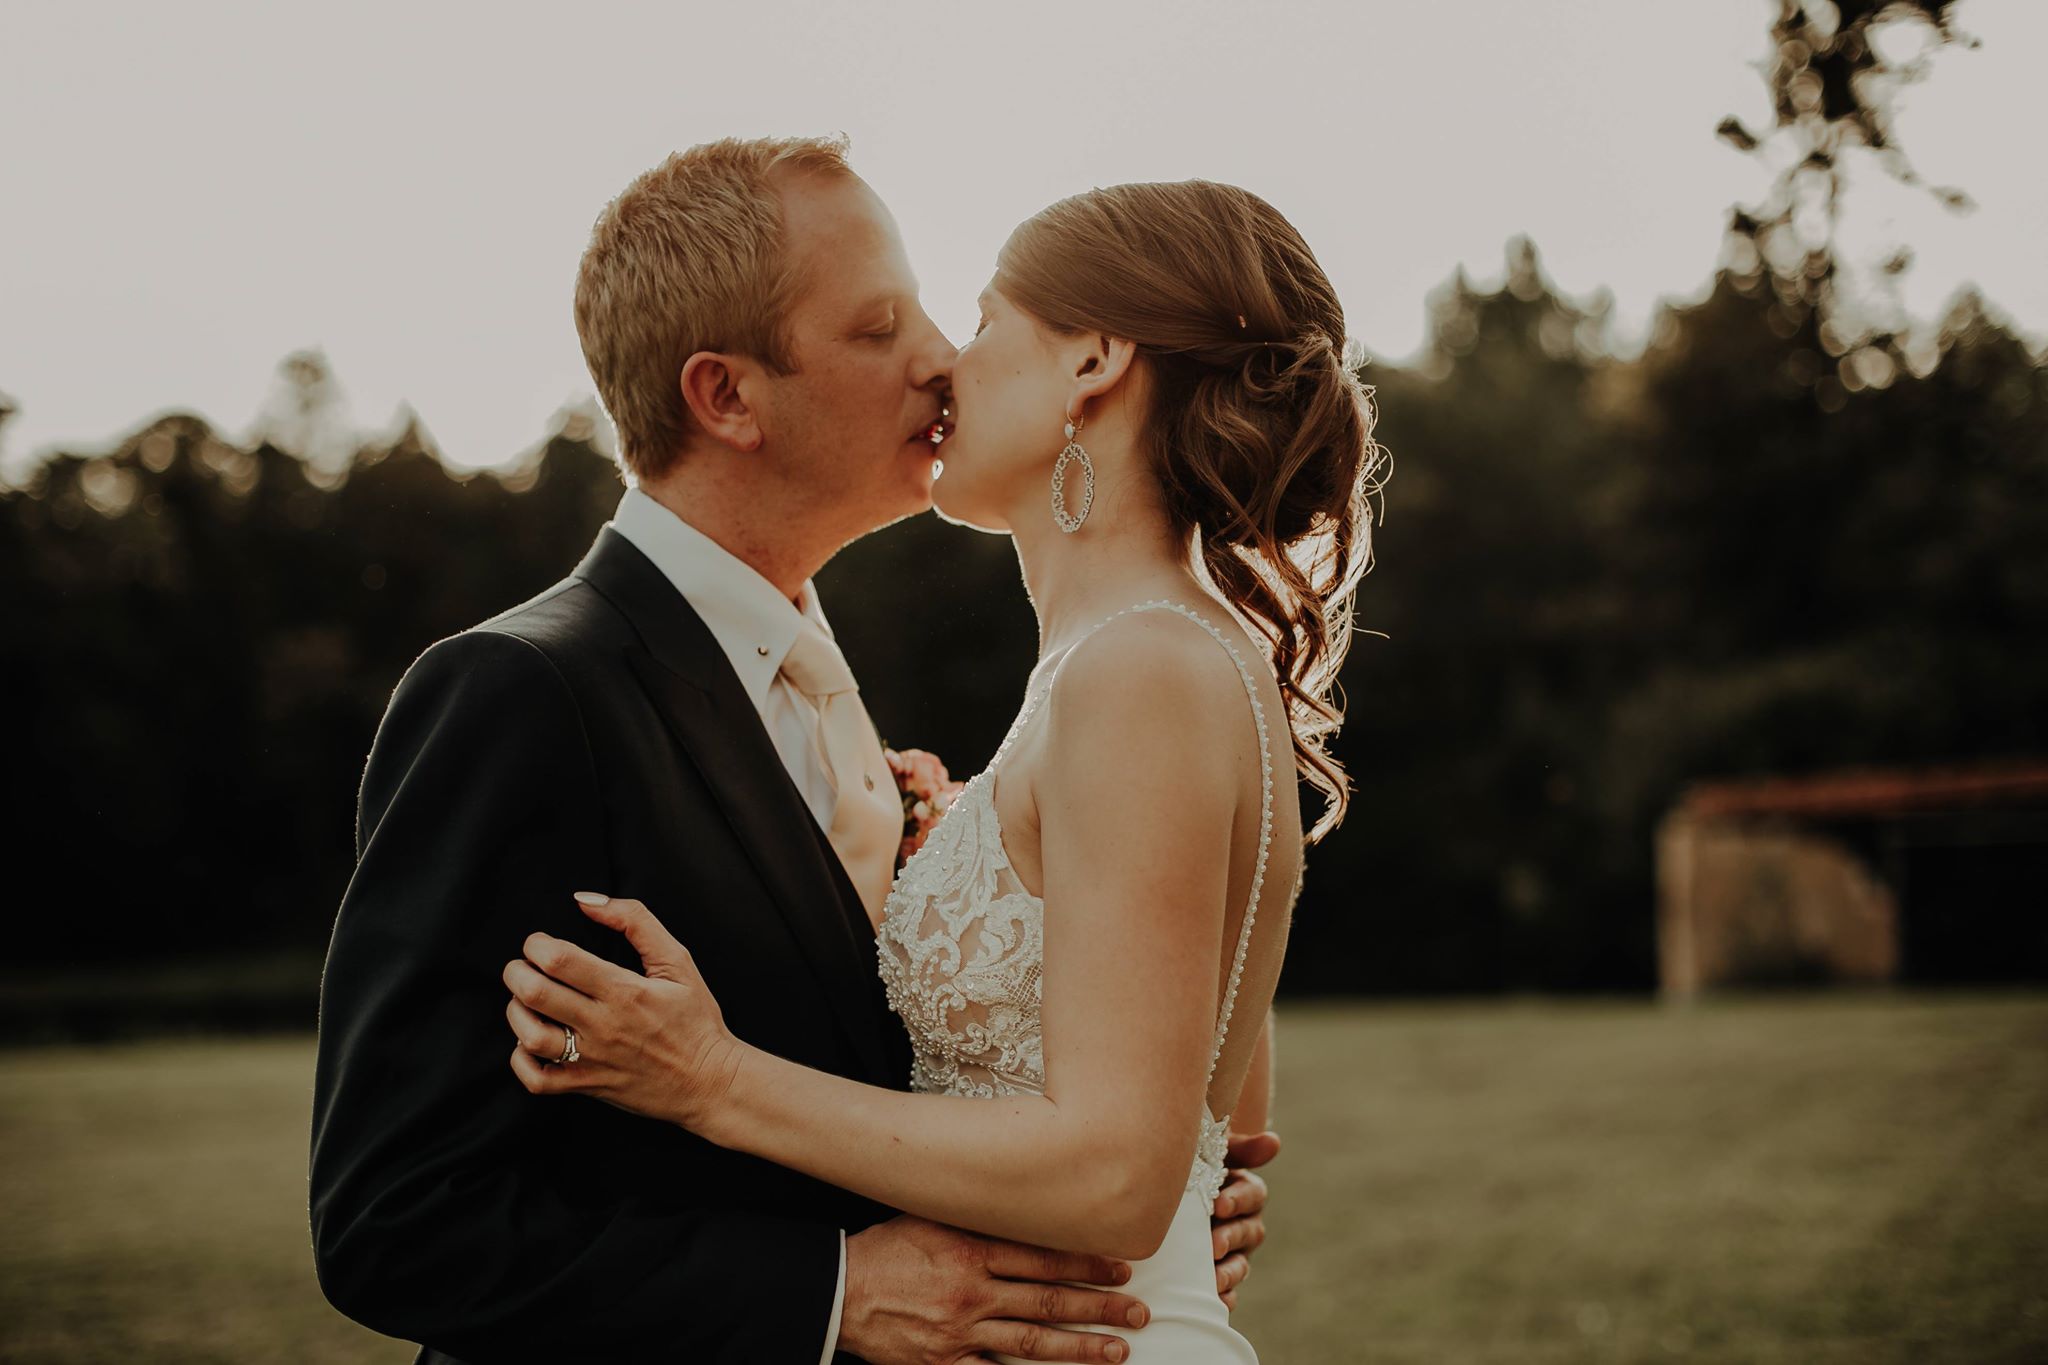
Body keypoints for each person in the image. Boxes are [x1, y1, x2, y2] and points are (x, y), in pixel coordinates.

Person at [310, 135, 1278, 1365]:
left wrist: (1173, 1201)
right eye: (879, 326)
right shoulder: (521, 693)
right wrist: (828, 1295)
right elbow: (395, 1221)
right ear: (725, 397)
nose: (937, 355)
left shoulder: (863, 714)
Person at [501, 177, 1385, 1361]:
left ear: (1093, 362)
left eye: (978, 323)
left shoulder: (1140, 671)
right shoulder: (1135, 659)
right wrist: (1192, 1192)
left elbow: (1123, 1173)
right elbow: (1223, 1112)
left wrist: (714, 1079)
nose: (941, 367)